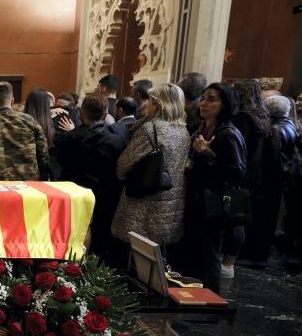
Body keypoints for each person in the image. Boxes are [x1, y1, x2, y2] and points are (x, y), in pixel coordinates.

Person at [111, 84, 191, 265]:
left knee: (135, 255)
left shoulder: (151, 129)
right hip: (171, 200)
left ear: (160, 104)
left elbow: (123, 165)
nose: (147, 104)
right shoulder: (183, 130)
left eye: (152, 100)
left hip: (144, 200)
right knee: (156, 256)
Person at [185, 83, 246, 291]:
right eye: (203, 98)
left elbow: (238, 173)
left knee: (209, 254)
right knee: (196, 252)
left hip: (215, 202)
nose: (204, 103)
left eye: (211, 99)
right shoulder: (202, 128)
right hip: (197, 198)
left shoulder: (228, 133)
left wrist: (207, 154)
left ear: (224, 104)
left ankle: (209, 304)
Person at [54, 93, 126, 258]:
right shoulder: (117, 141)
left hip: (74, 196)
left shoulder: (68, 138)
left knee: (72, 239)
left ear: (82, 114)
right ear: (106, 114)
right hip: (104, 197)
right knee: (100, 241)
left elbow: (59, 164)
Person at [251, 95, 300, 262]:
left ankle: (258, 254)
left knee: (265, 219)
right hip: (281, 180)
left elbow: (273, 159)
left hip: (271, 181)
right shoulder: (290, 125)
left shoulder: (275, 130)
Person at [232, 79, 272, 264]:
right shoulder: (261, 115)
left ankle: (232, 257)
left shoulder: (243, 118)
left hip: (242, 174)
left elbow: (238, 150)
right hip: (255, 174)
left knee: (235, 219)